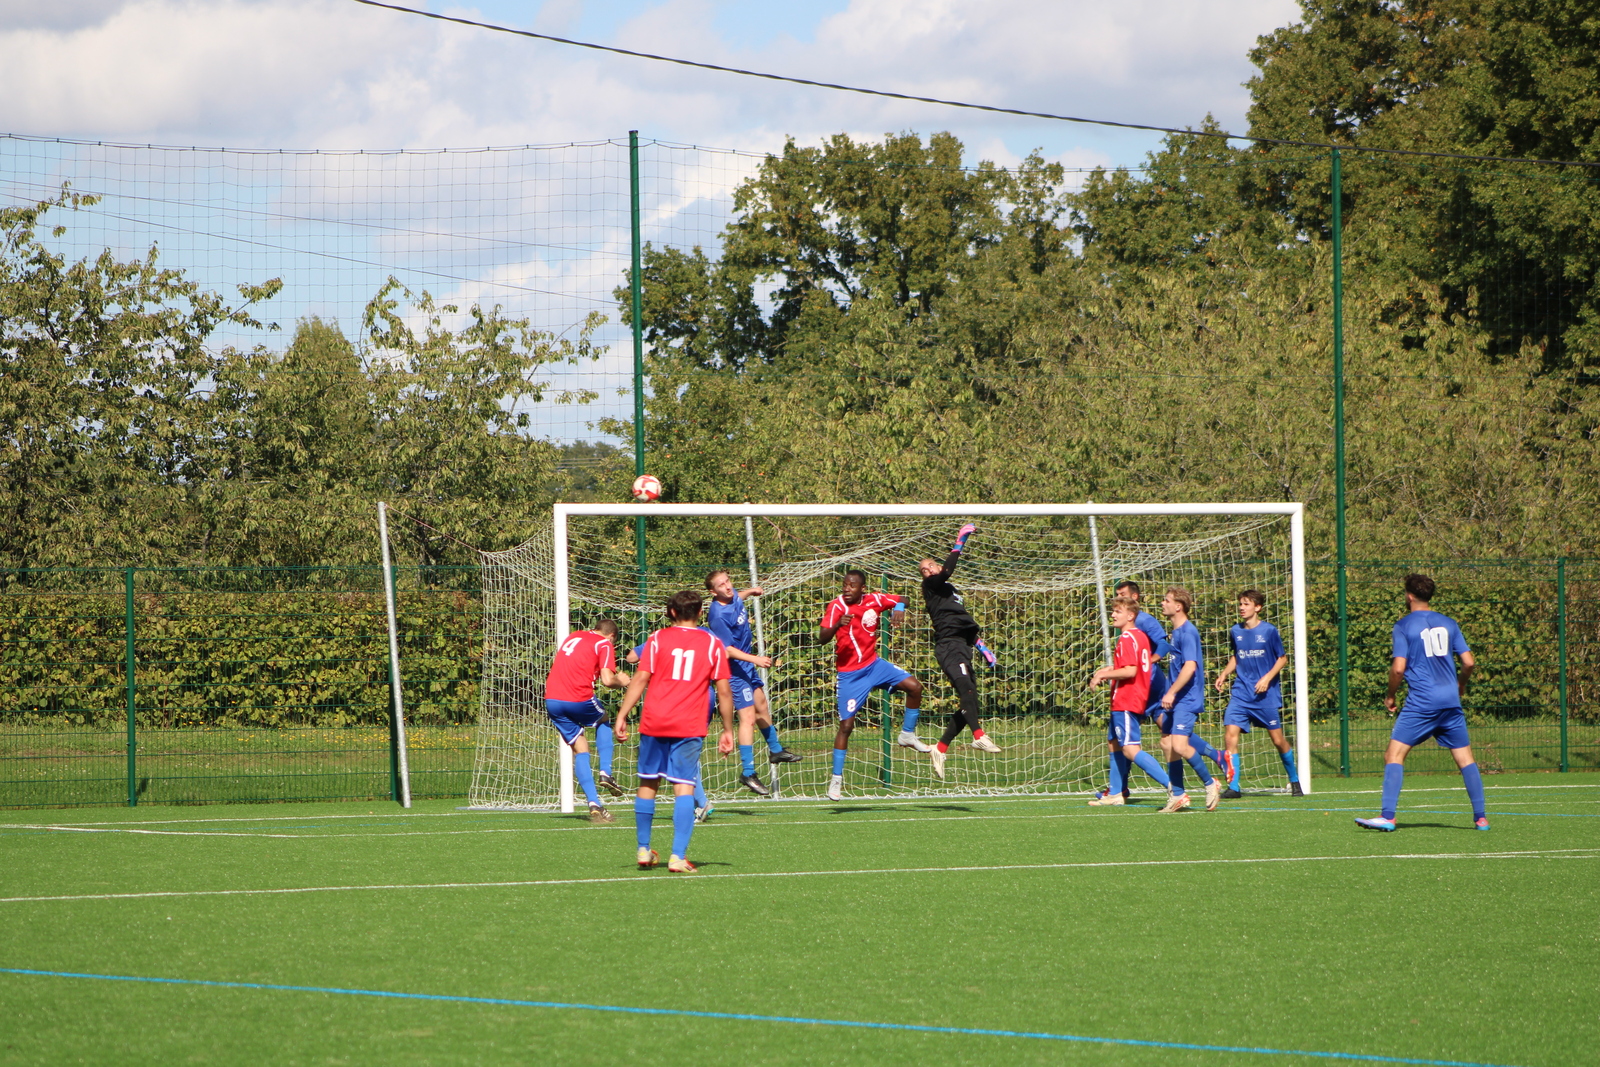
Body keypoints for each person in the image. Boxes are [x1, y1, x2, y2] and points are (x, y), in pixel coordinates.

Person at [613, 591, 737, 872]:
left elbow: (640, 678)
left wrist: (622, 715)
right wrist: (728, 728)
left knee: (648, 783)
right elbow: (724, 691)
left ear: (671, 612)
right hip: (689, 723)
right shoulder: (713, 643)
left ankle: (643, 849)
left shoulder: (657, 639)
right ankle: (677, 856)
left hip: (654, 721)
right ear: (701, 612)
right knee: (683, 786)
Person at [1356, 574, 1486, 832]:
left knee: (1394, 755)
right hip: (1450, 701)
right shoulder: (1449, 623)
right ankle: (1481, 818)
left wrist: (1390, 696)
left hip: (1423, 702)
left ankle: (1387, 816)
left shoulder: (1403, 626)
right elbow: (1469, 662)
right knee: (1465, 759)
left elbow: (1398, 668)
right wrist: (1460, 685)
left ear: (1409, 596)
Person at [819, 569, 924, 801]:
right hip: (850, 675)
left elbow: (904, 598)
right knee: (846, 726)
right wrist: (836, 625)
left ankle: (907, 734)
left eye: (852, 585)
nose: (847, 589)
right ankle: (836, 780)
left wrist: (899, 607)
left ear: (862, 589)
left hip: (874, 665)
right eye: (845, 584)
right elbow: (821, 638)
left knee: (915, 687)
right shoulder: (836, 606)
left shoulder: (874, 599)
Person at [705, 569, 802, 797]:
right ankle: (748, 772)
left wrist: (751, 591)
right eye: (721, 585)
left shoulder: (732, 596)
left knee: (762, 707)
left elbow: (738, 597)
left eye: (728, 581)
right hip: (735, 671)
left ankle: (776, 750)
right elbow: (727, 650)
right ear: (713, 592)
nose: (728, 586)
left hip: (746, 667)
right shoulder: (717, 615)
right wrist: (756, 659)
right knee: (747, 718)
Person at [917, 523, 1001, 782]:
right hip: (949, 647)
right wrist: (960, 541)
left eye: (930, 565)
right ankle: (979, 736)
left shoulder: (952, 592)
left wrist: (983, 648)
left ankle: (940, 748)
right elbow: (948, 570)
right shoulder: (931, 586)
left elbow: (963, 626)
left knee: (970, 702)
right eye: (924, 570)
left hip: (962, 647)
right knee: (967, 691)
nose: (928, 570)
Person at [1213, 589, 1300, 797]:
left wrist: (1267, 678)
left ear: (1257, 607)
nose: (1242, 608)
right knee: (1230, 736)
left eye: (1246, 604)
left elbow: (1282, 659)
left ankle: (1294, 780)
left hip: (1264, 696)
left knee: (1278, 741)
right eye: (1240, 604)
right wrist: (1224, 673)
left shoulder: (1269, 631)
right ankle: (1234, 787)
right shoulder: (1236, 630)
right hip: (1241, 693)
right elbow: (1237, 656)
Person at [543, 617, 630, 823]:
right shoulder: (604, 643)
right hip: (577, 697)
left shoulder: (574, 636)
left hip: (552, 700)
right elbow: (607, 680)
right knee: (603, 719)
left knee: (580, 748)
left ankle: (594, 803)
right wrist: (622, 681)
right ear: (611, 636)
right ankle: (606, 772)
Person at [1088, 595, 1173, 806]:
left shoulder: (1126, 638)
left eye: (1118, 611)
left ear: (1130, 615)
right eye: (1113, 611)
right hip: (1134, 697)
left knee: (1130, 749)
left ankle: (1174, 788)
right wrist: (1107, 670)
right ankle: (1116, 792)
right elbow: (1133, 665)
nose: (1113, 615)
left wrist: (1103, 676)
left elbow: (1130, 671)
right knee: (1114, 743)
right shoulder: (1140, 636)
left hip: (1126, 698)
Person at [1155, 587, 1222, 812]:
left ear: (1178, 606)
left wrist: (1171, 692)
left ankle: (1210, 783)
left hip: (1187, 698)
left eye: (1166, 600)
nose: (1162, 603)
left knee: (1180, 745)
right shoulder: (1176, 632)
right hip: (1176, 699)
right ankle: (1178, 795)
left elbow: (1190, 666)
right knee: (1167, 743)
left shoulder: (1188, 632)